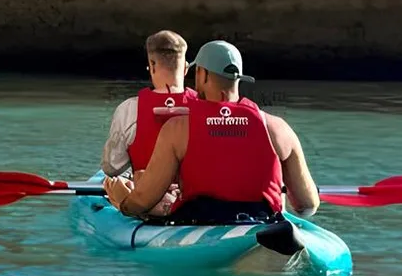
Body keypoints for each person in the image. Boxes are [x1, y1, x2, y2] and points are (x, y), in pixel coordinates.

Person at [106, 40, 320, 222]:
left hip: (198, 224)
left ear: (203, 74)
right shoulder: (277, 128)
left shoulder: (177, 129)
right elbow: (307, 205)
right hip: (263, 223)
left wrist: (122, 201)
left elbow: (144, 201)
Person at [102, 31, 191, 179]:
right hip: (193, 198)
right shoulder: (206, 107)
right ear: (186, 68)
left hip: (146, 197)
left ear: (152, 66)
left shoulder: (128, 110)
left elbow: (111, 167)